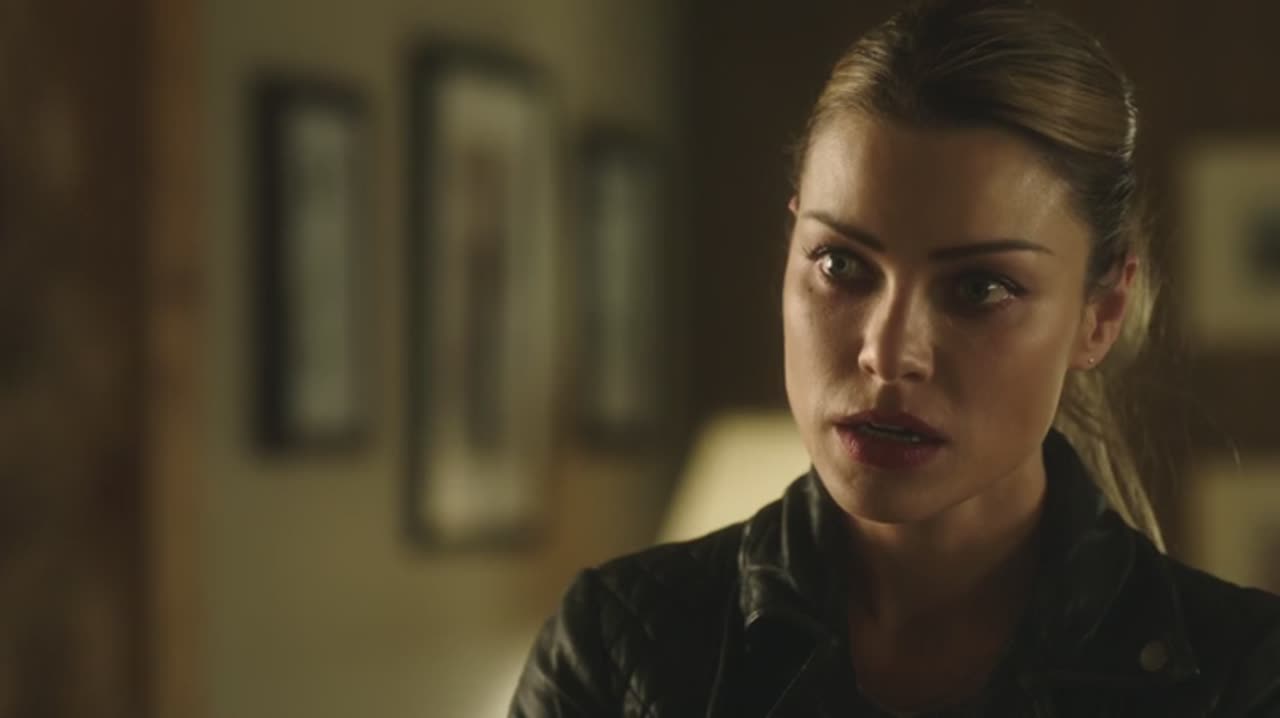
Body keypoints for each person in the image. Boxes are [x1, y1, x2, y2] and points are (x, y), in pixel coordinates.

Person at [510, 1, 1280, 715]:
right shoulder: (617, 650)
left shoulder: (1245, 679)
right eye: (841, 264)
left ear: (1101, 314)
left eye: (979, 288)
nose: (886, 353)